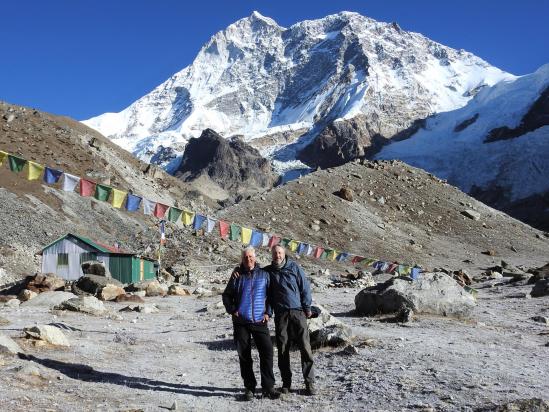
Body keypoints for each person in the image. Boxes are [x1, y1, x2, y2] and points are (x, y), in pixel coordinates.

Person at [222, 246, 281, 401]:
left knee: (267, 352)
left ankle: (268, 387)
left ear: (255, 257)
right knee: (245, 356)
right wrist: (232, 309)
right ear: (242, 259)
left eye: (250, 256)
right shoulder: (236, 275)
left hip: (260, 321)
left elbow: (270, 296)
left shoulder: (264, 275)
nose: (248, 259)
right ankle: (249, 388)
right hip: (241, 322)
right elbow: (226, 295)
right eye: (245, 257)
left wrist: (269, 313)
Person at [264, 244, 316, 396]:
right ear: (271, 255)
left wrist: (307, 307)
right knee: (283, 349)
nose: (277, 256)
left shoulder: (294, 267)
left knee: (305, 347)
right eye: (275, 254)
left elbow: (305, 287)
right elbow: (267, 295)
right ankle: (286, 383)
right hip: (281, 315)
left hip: (298, 312)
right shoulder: (268, 272)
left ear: (284, 254)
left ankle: (309, 382)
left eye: (280, 253)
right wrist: (268, 312)